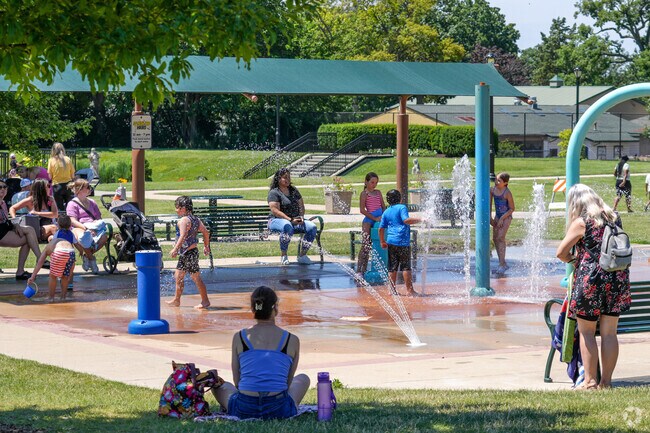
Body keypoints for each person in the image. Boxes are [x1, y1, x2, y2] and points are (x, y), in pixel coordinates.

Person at [556, 183, 631, 390]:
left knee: (587, 332)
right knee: (609, 334)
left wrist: (575, 261)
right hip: (617, 279)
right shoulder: (614, 218)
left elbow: (561, 252)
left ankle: (589, 382)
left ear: (576, 203)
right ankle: (606, 383)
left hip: (591, 281)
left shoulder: (581, 223)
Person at [212, 286, 310, 419]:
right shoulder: (291, 340)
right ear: (275, 307)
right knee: (303, 379)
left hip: (244, 408)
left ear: (253, 308)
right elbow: (287, 383)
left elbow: (237, 381)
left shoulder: (240, 337)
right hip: (279, 409)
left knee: (219, 385)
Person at [166, 196, 211, 309]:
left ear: (183, 208)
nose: (176, 210)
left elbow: (182, 236)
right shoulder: (196, 220)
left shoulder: (184, 220)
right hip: (192, 252)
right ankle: (177, 300)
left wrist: (175, 249)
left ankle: (205, 301)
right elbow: (205, 232)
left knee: (193, 277)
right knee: (179, 276)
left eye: (177, 207)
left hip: (187, 253)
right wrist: (206, 246)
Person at [267, 168, 317, 266]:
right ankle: (284, 255)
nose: (288, 179)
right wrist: (290, 220)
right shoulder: (274, 192)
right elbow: (275, 211)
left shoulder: (293, 190)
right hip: (276, 221)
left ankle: (302, 256)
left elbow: (301, 206)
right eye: (285, 177)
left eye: (289, 177)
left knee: (312, 227)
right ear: (278, 179)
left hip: (294, 220)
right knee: (287, 226)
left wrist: (301, 218)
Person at [378, 189, 421, 296]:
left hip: (391, 242)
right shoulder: (402, 207)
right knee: (406, 267)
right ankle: (410, 291)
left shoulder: (386, 211)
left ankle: (391, 290)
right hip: (402, 242)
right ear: (400, 198)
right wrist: (420, 219)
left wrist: (382, 241)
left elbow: (381, 228)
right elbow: (406, 220)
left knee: (392, 267)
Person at [0, 179, 42, 280]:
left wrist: (15, 225)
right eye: (0, 187)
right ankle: (40, 259)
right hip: (1, 232)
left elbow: (6, 220)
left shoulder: (3, 203)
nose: (2, 189)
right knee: (28, 238)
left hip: (4, 230)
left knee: (29, 231)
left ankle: (39, 259)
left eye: (4, 187)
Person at [66, 178, 108, 274]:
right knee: (84, 237)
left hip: (93, 226)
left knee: (104, 237)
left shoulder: (92, 203)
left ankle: (87, 256)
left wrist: (94, 227)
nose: (90, 189)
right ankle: (92, 259)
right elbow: (72, 220)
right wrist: (86, 228)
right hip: (79, 227)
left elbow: (98, 217)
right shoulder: (72, 204)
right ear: (79, 190)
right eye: (88, 187)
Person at [28, 236, 76, 302]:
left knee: (53, 276)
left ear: (49, 241)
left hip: (59, 251)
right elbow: (73, 263)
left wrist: (32, 277)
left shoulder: (48, 247)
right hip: (71, 252)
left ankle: (51, 298)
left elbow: (40, 262)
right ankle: (63, 297)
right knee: (65, 277)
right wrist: (70, 274)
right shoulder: (64, 241)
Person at [357, 172, 386, 276]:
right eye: (372, 182)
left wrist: (383, 216)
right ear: (366, 182)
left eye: (376, 183)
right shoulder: (364, 194)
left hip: (379, 218)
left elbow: (383, 206)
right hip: (369, 219)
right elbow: (362, 210)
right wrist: (374, 218)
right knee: (366, 244)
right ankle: (360, 269)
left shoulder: (378, 192)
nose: (374, 185)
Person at [490, 172, 515, 275]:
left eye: (499, 180)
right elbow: (489, 204)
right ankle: (502, 262)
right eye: (496, 179)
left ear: (505, 183)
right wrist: (490, 217)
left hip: (506, 217)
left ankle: (502, 263)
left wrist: (502, 219)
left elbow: (512, 208)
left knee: (500, 238)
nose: (496, 182)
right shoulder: (492, 190)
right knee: (495, 238)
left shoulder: (507, 193)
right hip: (497, 216)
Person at [47, 142, 76, 211]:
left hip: (57, 185)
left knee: (59, 207)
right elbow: (72, 175)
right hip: (68, 185)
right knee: (70, 206)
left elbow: (50, 176)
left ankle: (60, 221)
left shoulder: (51, 160)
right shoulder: (68, 159)